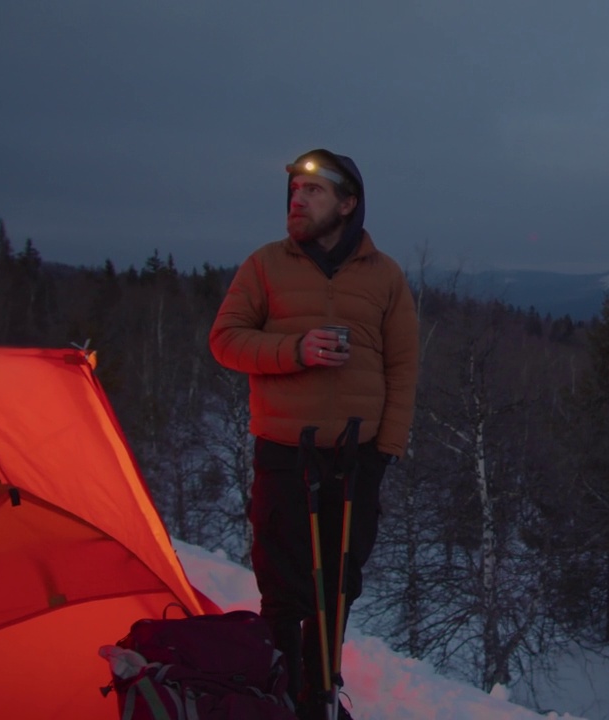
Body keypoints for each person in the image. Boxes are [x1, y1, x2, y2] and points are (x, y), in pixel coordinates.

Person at [209, 148, 419, 720]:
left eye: (314, 192)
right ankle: (280, 693)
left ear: (348, 203)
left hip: (356, 459)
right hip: (283, 454)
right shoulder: (265, 266)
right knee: (283, 587)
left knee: (340, 584)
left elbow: (403, 365)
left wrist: (386, 450)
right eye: (294, 193)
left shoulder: (385, 275)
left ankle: (320, 693)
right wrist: (294, 350)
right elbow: (225, 340)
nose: (297, 201)